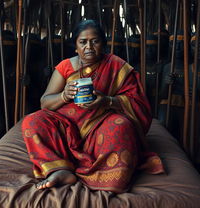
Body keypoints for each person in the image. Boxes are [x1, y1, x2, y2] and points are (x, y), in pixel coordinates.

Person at [22, 20, 164, 193]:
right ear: (75, 46)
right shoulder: (65, 67)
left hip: (100, 125)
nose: (89, 46)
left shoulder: (117, 65)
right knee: (32, 121)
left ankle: (109, 176)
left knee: (122, 126)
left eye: (94, 41)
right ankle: (61, 169)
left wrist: (107, 101)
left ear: (103, 44)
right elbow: (45, 102)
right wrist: (64, 95)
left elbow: (138, 102)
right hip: (67, 127)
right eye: (83, 42)